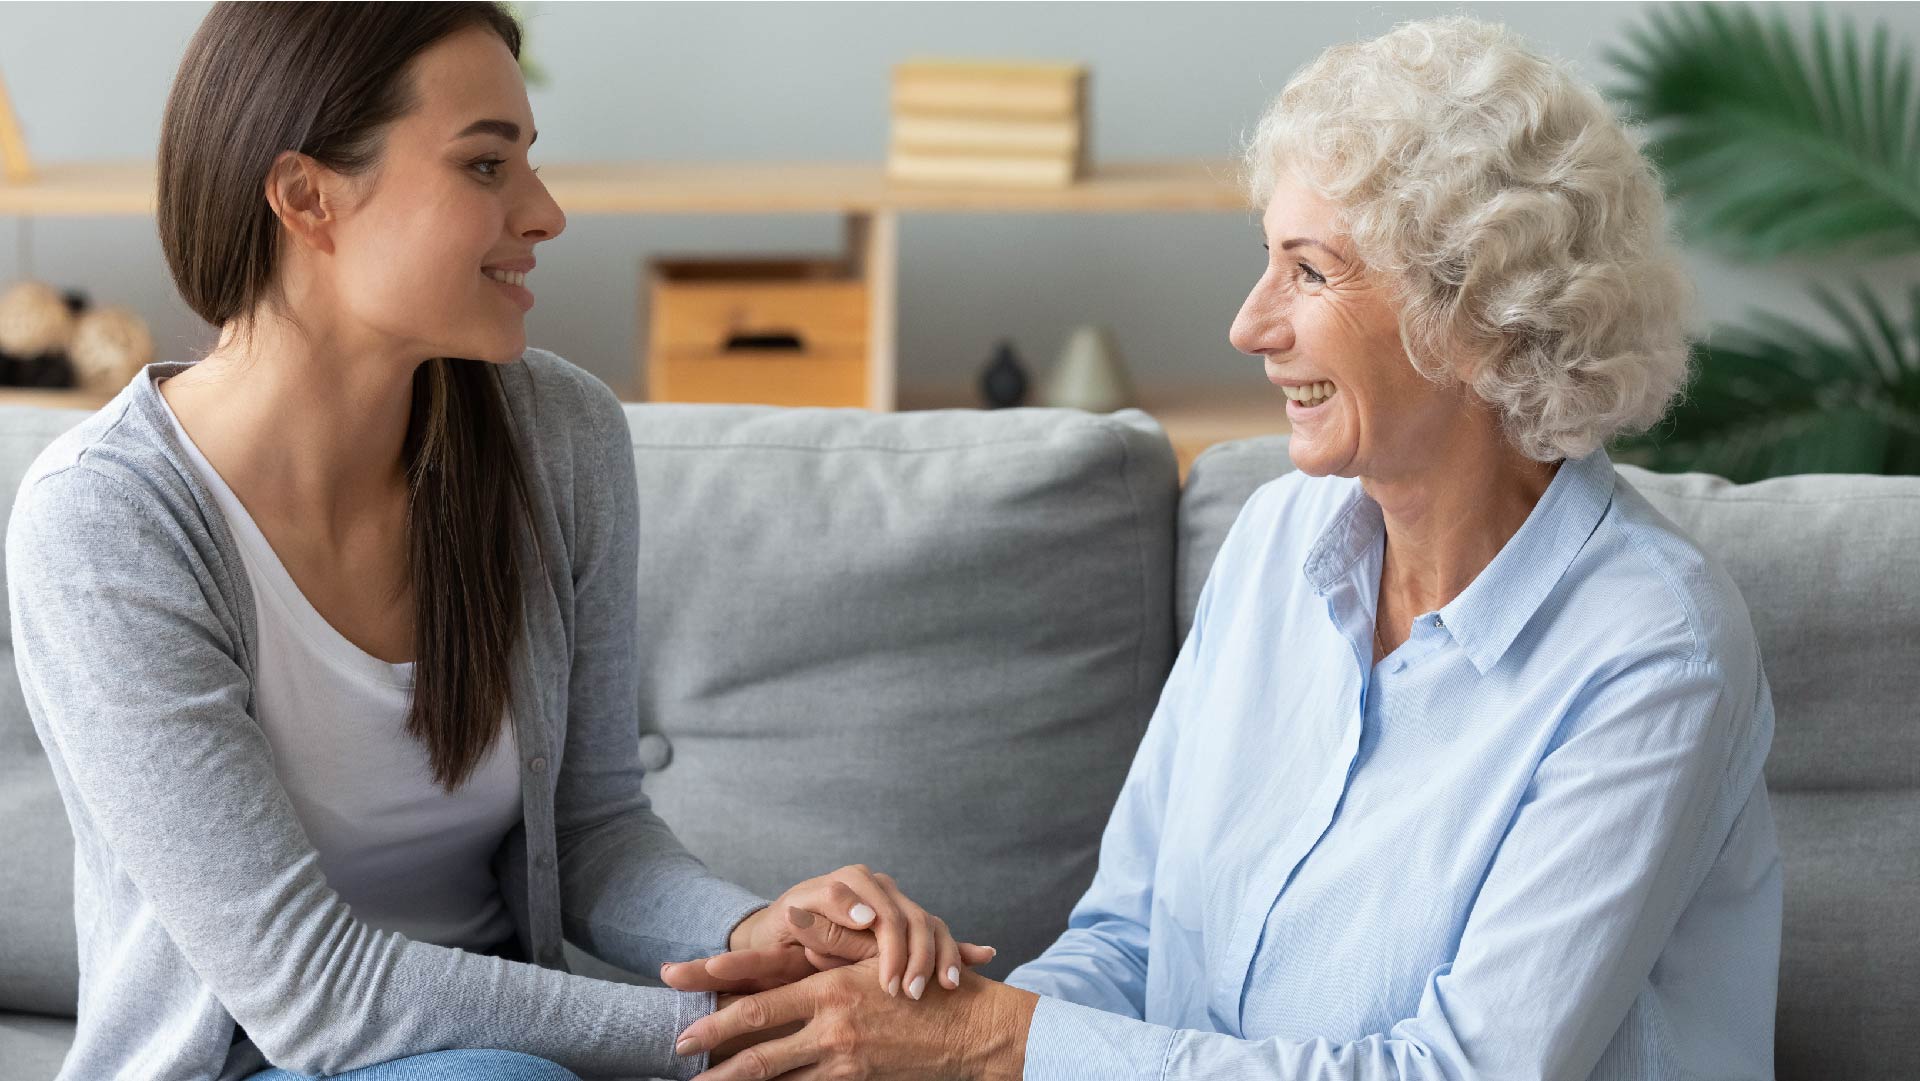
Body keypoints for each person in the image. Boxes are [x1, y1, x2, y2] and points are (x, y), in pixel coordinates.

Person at [660, 15, 1782, 1080]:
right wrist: (928, 1030)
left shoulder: (1651, 648)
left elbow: (1462, 1070)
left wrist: (998, 1046)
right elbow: (1132, 941)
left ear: (1479, 311)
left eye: (1309, 270)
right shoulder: (1276, 545)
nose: (1250, 325)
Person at [3, 6, 985, 1081]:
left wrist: (761, 938)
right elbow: (310, 992)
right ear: (306, 198)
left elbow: (598, 830)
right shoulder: (107, 521)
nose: (547, 212)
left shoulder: (557, 437)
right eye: (484, 165)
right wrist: (761, 1031)